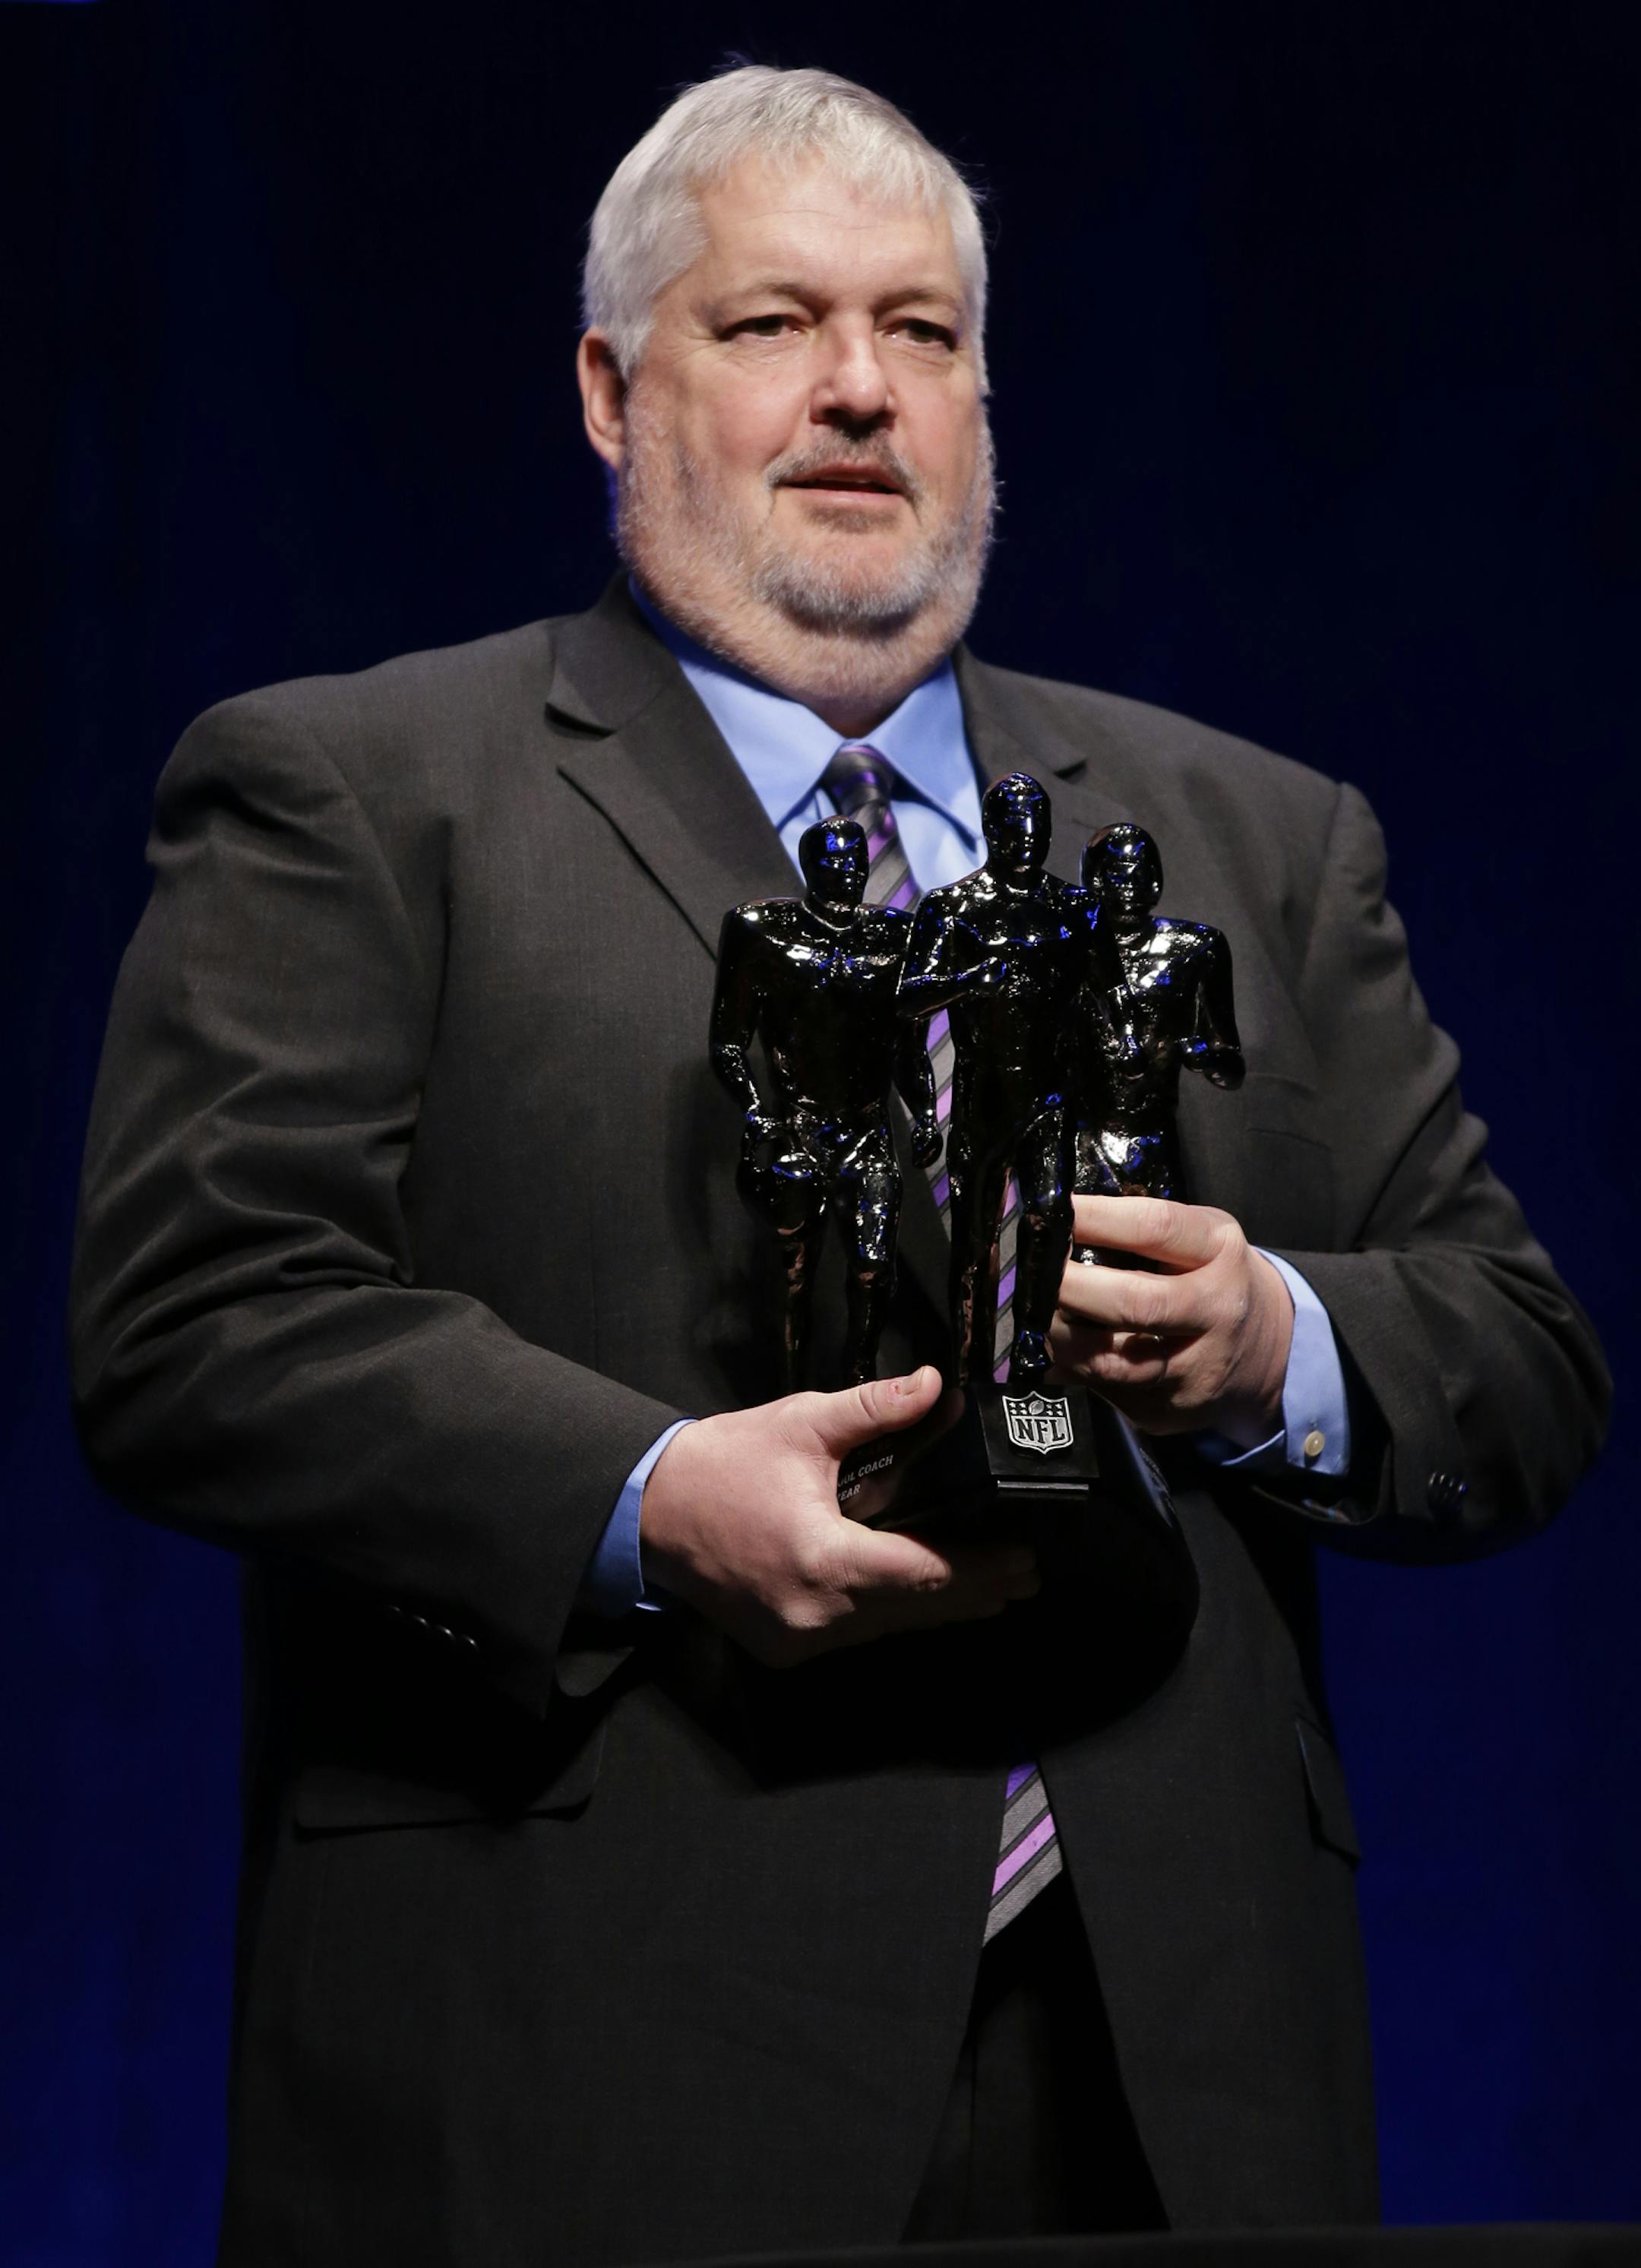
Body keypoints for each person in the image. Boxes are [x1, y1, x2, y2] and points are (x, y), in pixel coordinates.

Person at [68, 63, 1609, 2268]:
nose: (863, 392)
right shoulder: (354, 791)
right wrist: (648, 1500)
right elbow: (190, 1327)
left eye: (925, 332)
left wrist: (1279, 1337)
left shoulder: (1264, 834)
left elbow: (1527, 1362)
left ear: (988, 401)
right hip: (577, 2060)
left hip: (1172, 2085)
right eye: (772, 323)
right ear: (612, 392)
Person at [710, 814, 939, 1387]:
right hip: (797, 1127)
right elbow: (728, 1040)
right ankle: (790, 1388)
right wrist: (757, 1106)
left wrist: (928, 1111)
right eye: (834, 863)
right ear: (809, 867)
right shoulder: (762, 931)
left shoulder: (895, 937)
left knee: (871, 1266)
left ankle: (860, 1374)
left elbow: (910, 1043)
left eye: (855, 864)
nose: (847, 875)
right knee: (793, 1277)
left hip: (867, 1127)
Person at [896, 770, 1090, 1386]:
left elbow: (1105, 995)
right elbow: (908, 997)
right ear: (990, 831)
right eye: (1013, 826)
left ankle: (1032, 1338)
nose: (1026, 838)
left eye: (1037, 826)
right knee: (975, 1240)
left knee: (1050, 1209)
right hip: (981, 1096)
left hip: (1050, 1092)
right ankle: (971, 1363)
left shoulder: (1074, 908)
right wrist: (970, 978)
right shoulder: (951, 907)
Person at [1072, 819, 1244, 1207]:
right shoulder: (1065, 949)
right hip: (1078, 1141)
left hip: (1154, 1141)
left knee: (1160, 1253)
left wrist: (1206, 1057)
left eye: (1142, 872)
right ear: (1095, 880)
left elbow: (1231, 1065)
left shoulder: (1196, 949)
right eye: (1118, 873)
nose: (1131, 884)